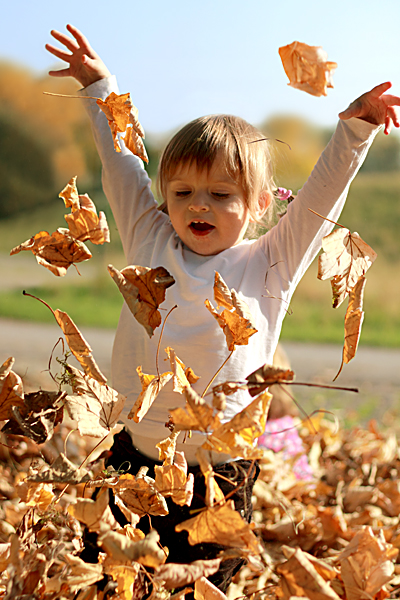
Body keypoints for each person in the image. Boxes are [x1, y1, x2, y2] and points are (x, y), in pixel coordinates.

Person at [46, 24, 400, 591]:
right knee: (115, 574)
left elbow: (319, 198)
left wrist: (353, 130)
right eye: (182, 193)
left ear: (259, 204)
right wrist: (99, 87)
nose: (198, 205)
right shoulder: (148, 239)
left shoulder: (270, 264)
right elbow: (121, 163)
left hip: (221, 471)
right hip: (134, 458)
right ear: (165, 200)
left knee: (204, 581)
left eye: (221, 193)